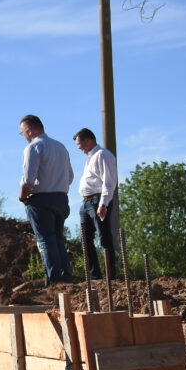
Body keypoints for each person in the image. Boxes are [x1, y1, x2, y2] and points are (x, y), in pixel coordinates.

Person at [18, 115, 75, 285]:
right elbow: (70, 176)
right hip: (61, 198)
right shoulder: (60, 147)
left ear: (29, 131)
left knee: (45, 241)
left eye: (23, 134)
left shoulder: (33, 147)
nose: (24, 137)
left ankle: (54, 282)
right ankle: (66, 279)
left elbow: (28, 179)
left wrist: (23, 197)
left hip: (41, 200)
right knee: (58, 240)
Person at [73, 128, 118, 280]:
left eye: (80, 144)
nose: (78, 148)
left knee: (104, 237)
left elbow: (109, 181)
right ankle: (95, 276)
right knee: (86, 240)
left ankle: (111, 277)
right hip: (86, 203)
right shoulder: (90, 157)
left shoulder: (102, 155)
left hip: (97, 201)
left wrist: (104, 203)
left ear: (88, 140)